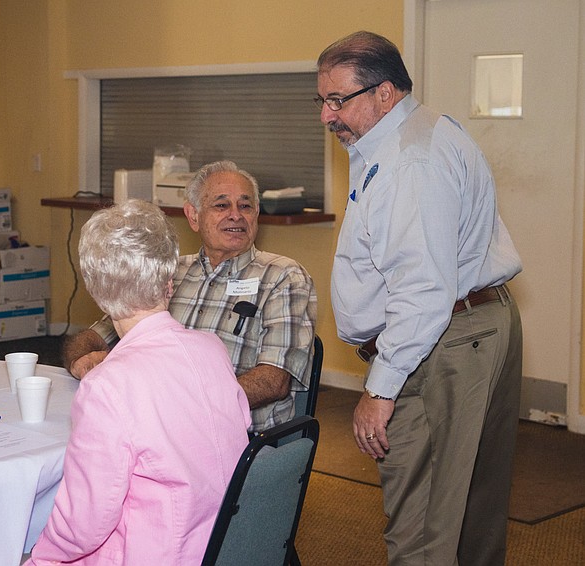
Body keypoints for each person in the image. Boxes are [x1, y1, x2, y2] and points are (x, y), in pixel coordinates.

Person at [318, 31, 523, 565]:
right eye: (321, 101)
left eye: (338, 101)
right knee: (470, 512)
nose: (327, 116)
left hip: (441, 341)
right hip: (468, 326)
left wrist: (380, 390)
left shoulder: (410, 161)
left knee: (424, 524)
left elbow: (422, 288)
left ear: (384, 93)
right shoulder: (417, 135)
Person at [28, 199, 251, 565]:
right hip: (225, 544)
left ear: (96, 290)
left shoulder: (107, 386)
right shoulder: (213, 350)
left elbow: (83, 527)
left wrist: (38, 557)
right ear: (169, 281)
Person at [63, 160, 317, 432]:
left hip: (239, 438)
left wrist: (184, 408)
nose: (236, 215)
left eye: (245, 206)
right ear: (193, 216)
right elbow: (93, 337)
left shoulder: (282, 276)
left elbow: (273, 381)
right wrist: (80, 360)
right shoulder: (167, 271)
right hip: (153, 425)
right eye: (221, 205)